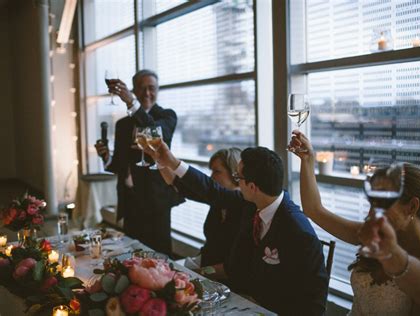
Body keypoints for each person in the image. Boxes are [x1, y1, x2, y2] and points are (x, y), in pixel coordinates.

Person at [144, 141, 328, 315]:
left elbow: (313, 303)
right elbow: (211, 190)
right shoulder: (251, 204)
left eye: (238, 177)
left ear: (252, 186)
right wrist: (171, 162)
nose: (236, 182)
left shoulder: (298, 231)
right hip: (242, 300)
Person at [289, 130, 420, 316]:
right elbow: (314, 210)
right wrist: (308, 160)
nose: (370, 213)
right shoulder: (378, 236)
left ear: (411, 207)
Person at [94, 69, 183, 254]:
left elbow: (156, 134)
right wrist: (106, 157)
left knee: (158, 255)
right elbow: (119, 165)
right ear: (134, 89)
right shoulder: (122, 125)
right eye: (142, 89)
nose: (147, 93)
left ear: (158, 90)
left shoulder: (167, 116)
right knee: (131, 255)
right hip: (130, 199)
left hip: (156, 201)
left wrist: (131, 103)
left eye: (152, 88)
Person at [159, 148, 243, 276]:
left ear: (234, 172)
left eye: (217, 171)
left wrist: (195, 273)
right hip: (204, 268)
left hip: (227, 279)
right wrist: (158, 159)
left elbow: (205, 186)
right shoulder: (217, 201)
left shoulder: (241, 202)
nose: (211, 177)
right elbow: (177, 184)